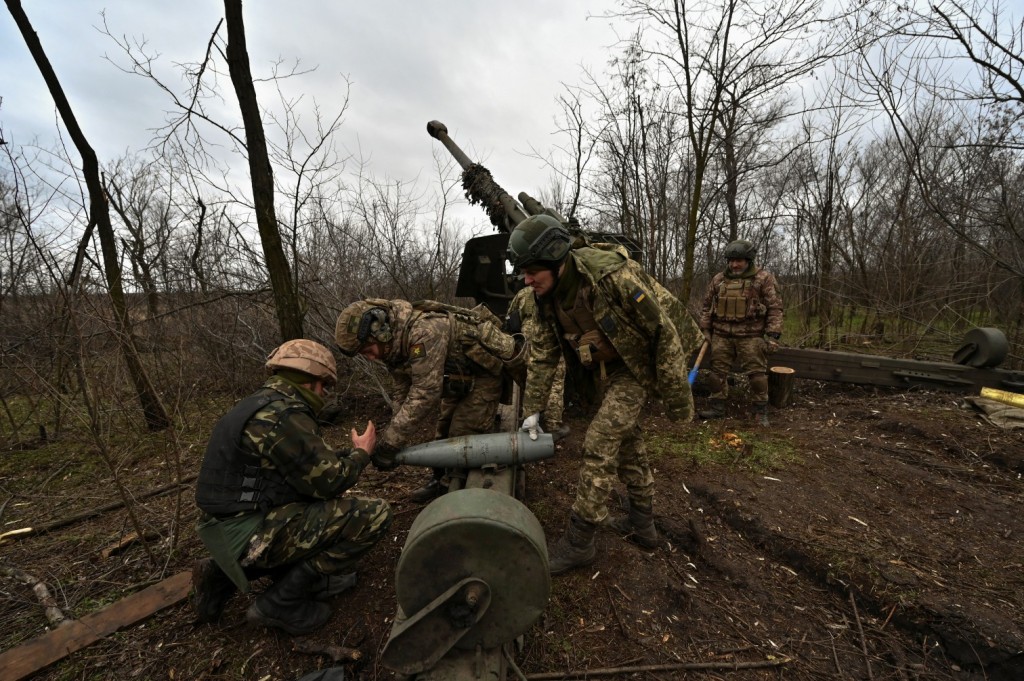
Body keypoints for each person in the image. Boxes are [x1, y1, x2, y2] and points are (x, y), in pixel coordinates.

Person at [506, 214, 695, 576]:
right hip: (606, 369)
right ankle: (644, 524)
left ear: (556, 260)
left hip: (637, 366)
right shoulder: (545, 297)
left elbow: (664, 333)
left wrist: (678, 399)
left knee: (599, 441)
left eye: (532, 271)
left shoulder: (611, 276)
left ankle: (580, 542)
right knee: (628, 442)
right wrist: (531, 412)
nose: (526, 280)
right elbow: (545, 354)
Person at [192, 339, 392, 636]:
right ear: (311, 379)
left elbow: (299, 467)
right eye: (325, 385)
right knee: (375, 515)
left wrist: (345, 456)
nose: (325, 393)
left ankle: (220, 575)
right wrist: (362, 454)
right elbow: (329, 482)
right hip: (249, 534)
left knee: (313, 506)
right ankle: (280, 602)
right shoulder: (283, 416)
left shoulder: (259, 405)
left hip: (224, 529)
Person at [335, 298, 522, 502]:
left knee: (463, 434)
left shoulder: (424, 332)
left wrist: (389, 444)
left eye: (368, 350)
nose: (370, 358)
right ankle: (441, 481)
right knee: (442, 433)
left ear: (380, 331)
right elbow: (402, 391)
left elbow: (425, 392)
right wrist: (393, 441)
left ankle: (465, 495)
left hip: (484, 376)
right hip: (458, 379)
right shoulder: (393, 345)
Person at [698, 238, 784, 425]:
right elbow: (706, 306)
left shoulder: (763, 279)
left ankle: (760, 412)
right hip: (721, 334)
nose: (734, 264)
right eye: (731, 260)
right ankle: (717, 407)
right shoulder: (719, 279)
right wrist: (705, 329)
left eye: (739, 261)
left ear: (748, 260)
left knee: (757, 376)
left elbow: (775, 307)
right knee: (716, 374)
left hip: (751, 336)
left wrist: (773, 334)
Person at [505, 284, 570, 442]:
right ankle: (553, 426)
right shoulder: (554, 291)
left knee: (531, 379)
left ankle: (529, 417)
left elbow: (511, 317)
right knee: (555, 381)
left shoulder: (522, 294)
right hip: (549, 339)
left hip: (526, 342)